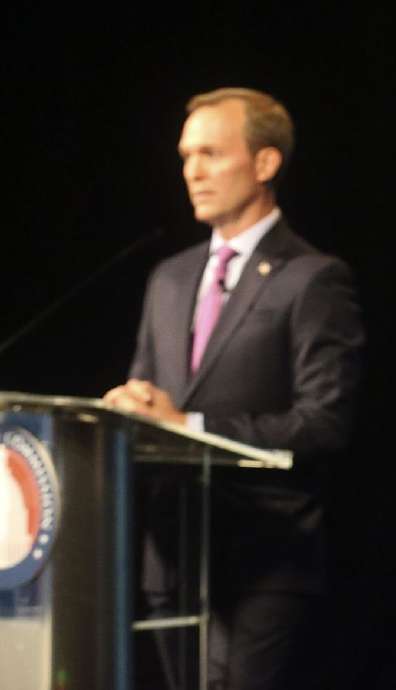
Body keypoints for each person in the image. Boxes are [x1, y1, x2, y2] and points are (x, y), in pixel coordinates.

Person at [104, 87, 364, 690]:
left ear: (266, 163)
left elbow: (324, 423)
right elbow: (151, 396)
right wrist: (130, 410)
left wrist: (186, 427)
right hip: (171, 556)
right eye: (186, 155)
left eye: (211, 154)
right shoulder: (167, 279)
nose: (192, 171)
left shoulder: (313, 278)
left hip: (264, 559)